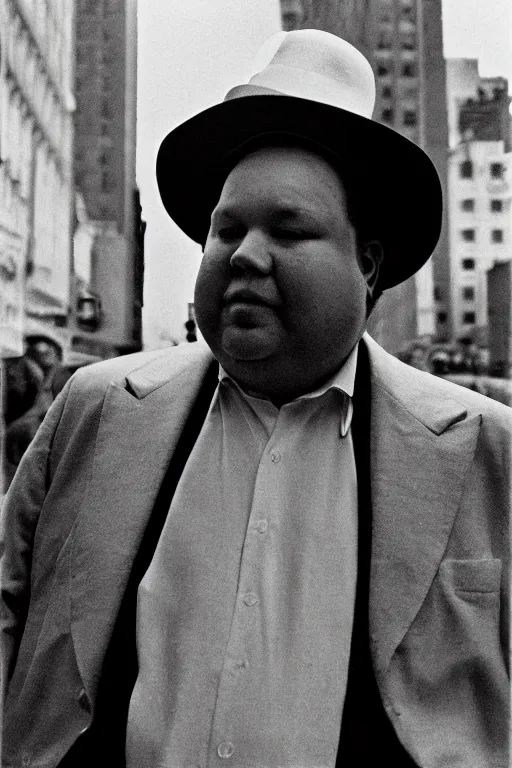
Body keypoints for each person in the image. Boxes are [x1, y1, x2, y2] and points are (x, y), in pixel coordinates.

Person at [1, 30, 509, 768]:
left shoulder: (487, 449)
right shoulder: (97, 407)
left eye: (288, 229)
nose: (244, 255)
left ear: (366, 266)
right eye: (227, 229)